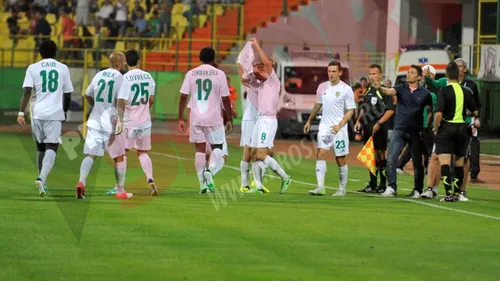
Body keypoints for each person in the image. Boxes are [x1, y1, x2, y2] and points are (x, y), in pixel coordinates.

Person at [17, 40, 73, 196]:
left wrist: (21, 113)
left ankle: (43, 182)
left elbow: (27, 91)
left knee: (41, 146)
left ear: (40, 53)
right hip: (54, 113)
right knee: (52, 146)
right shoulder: (63, 68)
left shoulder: (32, 68)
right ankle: (42, 178)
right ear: (55, 52)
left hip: (37, 112)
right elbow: (67, 94)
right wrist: (65, 112)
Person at [177, 47, 234, 193]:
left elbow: (183, 96)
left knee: (199, 150)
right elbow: (226, 99)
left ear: (200, 58)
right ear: (213, 58)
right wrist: (230, 120)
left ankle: (202, 184)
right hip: (214, 118)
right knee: (217, 148)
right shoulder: (220, 74)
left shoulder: (191, 73)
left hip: (196, 117)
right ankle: (210, 171)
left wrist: (180, 118)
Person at [76, 52, 132, 199]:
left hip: (95, 120)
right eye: (124, 63)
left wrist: (96, 107)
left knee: (90, 154)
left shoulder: (99, 75)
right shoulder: (121, 78)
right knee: (119, 157)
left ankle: (81, 182)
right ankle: (120, 191)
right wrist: (120, 120)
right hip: (111, 123)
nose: (125, 65)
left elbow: (87, 95)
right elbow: (121, 101)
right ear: (119, 64)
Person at [373, 65, 433, 198]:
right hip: (399, 130)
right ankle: (391, 187)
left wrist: (426, 128)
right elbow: (389, 92)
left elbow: (430, 112)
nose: (408, 74)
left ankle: (417, 190)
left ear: (419, 77)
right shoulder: (401, 88)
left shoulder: (425, 93)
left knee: (418, 162)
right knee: (391, 158)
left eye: (411, 73)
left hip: (415, 132)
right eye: (408, 72)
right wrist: (380, 88)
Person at [245, 38, 292, 194]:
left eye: (266, 65)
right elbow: (245, 78)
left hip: (268, 121)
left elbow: (265, 61)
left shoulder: (273, 81)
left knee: (261, 154)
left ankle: (285, 177)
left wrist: (256, 45)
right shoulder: (261, 84)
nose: (263, 65)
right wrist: (242, 63)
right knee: (253, 154)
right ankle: (258, 185)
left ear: (271, 68)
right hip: (260, 120)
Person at [305, 60, 356, 197]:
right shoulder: (322, 87)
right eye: (329, 71)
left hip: (339, 129)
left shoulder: (346, 89)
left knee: (340, 158)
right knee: (320, 153)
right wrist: (309, 120)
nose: (331, 74)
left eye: (334, 71)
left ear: (340, 72)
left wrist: (340, 124)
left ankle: (342, 189)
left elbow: (351, 110)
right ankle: (320, 187)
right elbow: (318, 105)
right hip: (325, 128)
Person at [433, 61, 479, 202]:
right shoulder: (466, 91)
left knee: (445, 162)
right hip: (462, 129)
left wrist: (436, 128)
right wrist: (476, 120)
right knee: (459, 162)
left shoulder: (444, 91)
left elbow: (438, 113)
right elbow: (475, 111)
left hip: (447, 128)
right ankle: (458, 193)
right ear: (458, 75)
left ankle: (449, 194)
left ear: (446, 75)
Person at [115, 49, 158, 197]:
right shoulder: (148, 77)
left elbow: (121, 102)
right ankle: (150, 179)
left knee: (123, 153)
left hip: (128, 121)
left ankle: (119, 186)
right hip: (145, 121)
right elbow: (151, 99)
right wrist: (144, 110)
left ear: (126, 62)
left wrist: (119, 120)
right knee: (143, 152)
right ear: (139, 61)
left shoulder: (125, 78)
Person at [355, 64, 395, 193]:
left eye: (374, 74)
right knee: (370, 155)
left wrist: (379, 123)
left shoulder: (385, 90)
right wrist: (358, 121)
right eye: (370, 74)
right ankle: (372, 184)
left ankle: (383, 184)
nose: (371, 77)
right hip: (367, 127)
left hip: (380, 128)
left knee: (380, 155)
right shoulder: (368, 90)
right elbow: (364, 109)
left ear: (380, 75)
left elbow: (390, 111)